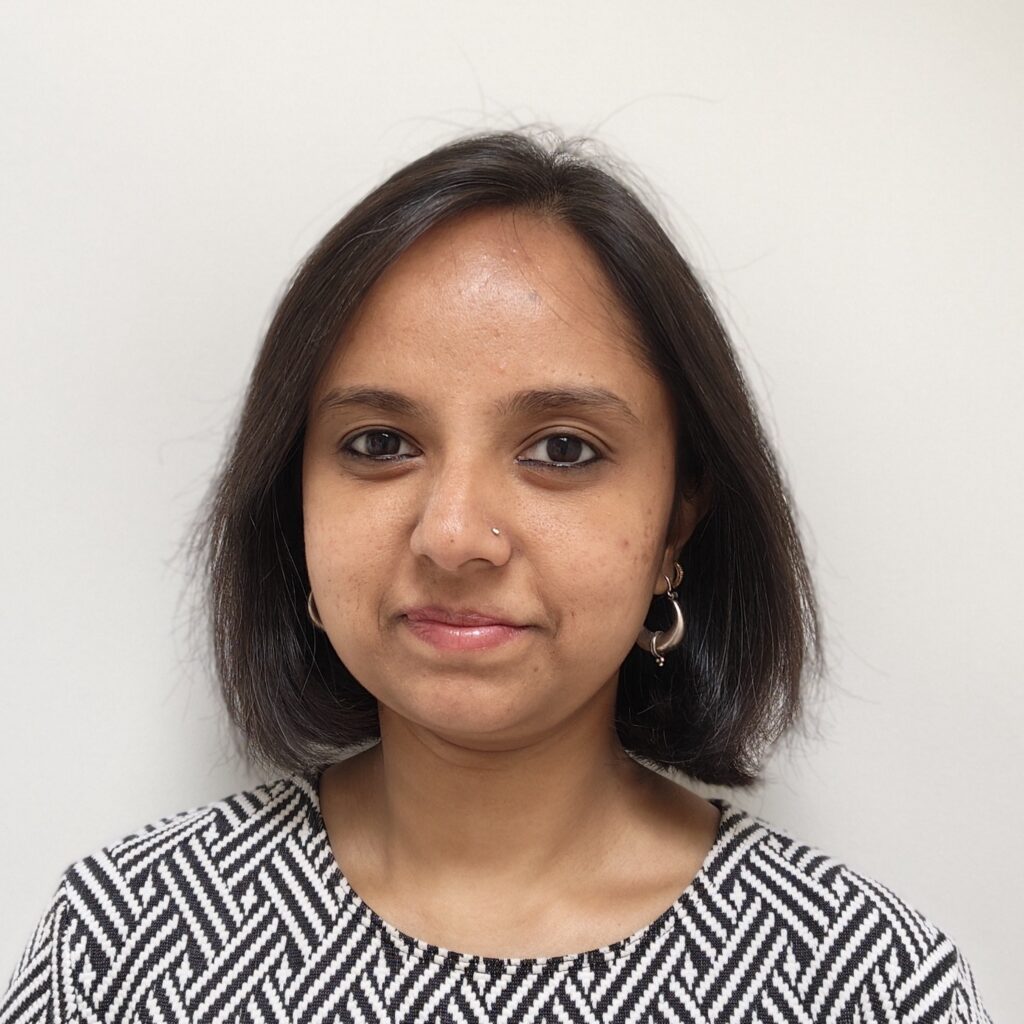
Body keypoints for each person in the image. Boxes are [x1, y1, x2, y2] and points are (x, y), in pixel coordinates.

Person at [1, 131, 991, 1023]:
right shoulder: (129, 944)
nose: (454, 536)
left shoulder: (859, 984)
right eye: (379, 442)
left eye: (562, 449)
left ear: (676, 518)